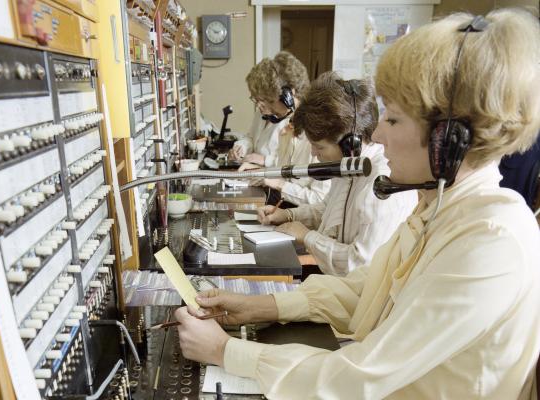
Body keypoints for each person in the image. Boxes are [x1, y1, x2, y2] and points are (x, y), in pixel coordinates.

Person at [174, 9, 540, 399]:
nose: (377, 134)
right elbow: (366, 291)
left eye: (394, 120)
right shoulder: (439, 210)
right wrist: (261, 306)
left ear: (447, 141)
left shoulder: (490, 240)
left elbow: (362, 376)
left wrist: (226, 351)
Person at [258, 73, 417, 276]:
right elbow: (328, 209)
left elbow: (359, 265)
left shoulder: (381, 186)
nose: (314, 154)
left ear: (350, 143)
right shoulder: (349, 165)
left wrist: (307, 237)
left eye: (319, 147)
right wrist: (288, 215)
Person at [232, 51, 330, 206]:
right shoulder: (290, 126)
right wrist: (261, 173)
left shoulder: (319, 132)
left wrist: (276, 182)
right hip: (287, 208)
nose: (266, 109)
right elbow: (284, 172)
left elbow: (319, 200)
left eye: (270, 101)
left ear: (289, 95)